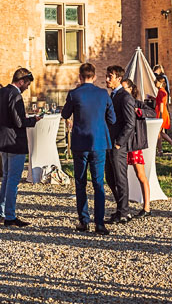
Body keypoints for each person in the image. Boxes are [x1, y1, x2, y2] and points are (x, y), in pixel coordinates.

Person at [62, 63, 115, 235]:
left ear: (80, 76)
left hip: (80, 142)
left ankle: (84, 220)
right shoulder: (103, 94)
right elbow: (112, 119)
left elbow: (64, 114)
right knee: (98, 183)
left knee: (80, 182)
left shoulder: (74, 94)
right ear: (94, 77)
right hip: (99, 142)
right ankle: (99, 223)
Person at [0, 69, 39, 226]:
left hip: (2, 140)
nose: (28, 87)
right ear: (21, 81)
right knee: (13, 180)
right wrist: (33, 120)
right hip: (14, 142)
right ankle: (10, 216)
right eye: (28, 84)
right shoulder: (15, 95)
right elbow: (19, 122)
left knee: (6, 178)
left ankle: (3, 213)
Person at [104, 65, 135, 226]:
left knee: (120, 178)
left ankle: (124, 212)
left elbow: (130, 123)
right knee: (110, 177)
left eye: (110, 76)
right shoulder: (112, 96)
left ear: (118, 79)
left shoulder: (125, 97)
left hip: (117, 145)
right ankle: (122, 207)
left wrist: (119, 143)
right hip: (109, 142)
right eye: (107, 76)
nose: (107, 79)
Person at [120, 79, 151, 217]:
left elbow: (152, 113)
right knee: (120, 176)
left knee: (140, 175)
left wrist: (139, 112)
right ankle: (122, 207)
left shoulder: (137, 103)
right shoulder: (118, 102)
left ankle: (147, 207)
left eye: (124, 89)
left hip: (133, 144)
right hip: (121, 143)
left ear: (131, 89)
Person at [154, 75, 172, 152]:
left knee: (158, 133)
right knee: (161, 132)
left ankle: (160, 150)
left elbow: (161, 104)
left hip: (161, 113)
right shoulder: (162, 91)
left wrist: (160, 117)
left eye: (156, 81)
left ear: (161, 83)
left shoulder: (161, 92)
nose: (155, 82)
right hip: (162, 112)